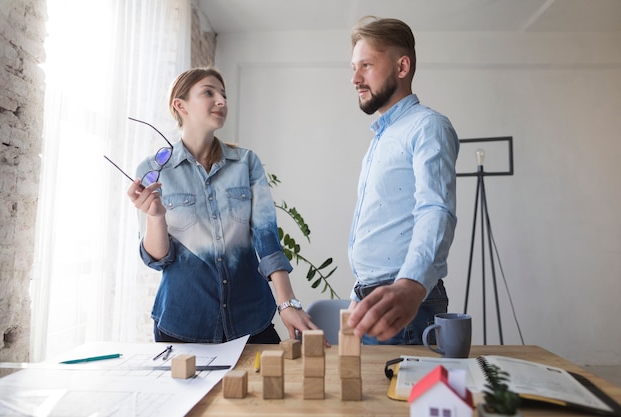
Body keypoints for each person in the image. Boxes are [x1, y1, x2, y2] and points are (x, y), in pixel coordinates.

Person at [127, 67, 318, 344]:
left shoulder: (246, 163)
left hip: (251, 320)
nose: (222, 101)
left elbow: (266, 238)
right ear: (180, 105)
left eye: (224, 95)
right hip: (183, 323)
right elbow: (158, 260)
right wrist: (155, 217)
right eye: (208, 93)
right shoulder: (152, 170)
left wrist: (286, 303)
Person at [346, 17, 459, 345]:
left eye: (366, 65)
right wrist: (360, 289)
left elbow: (436, 210)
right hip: (373, 300)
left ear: (402, 66)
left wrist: (411, 285)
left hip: (408, 304)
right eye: (354, 67)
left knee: (405, 397)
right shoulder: (382, 138)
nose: (355, 78)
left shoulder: (427, 127)